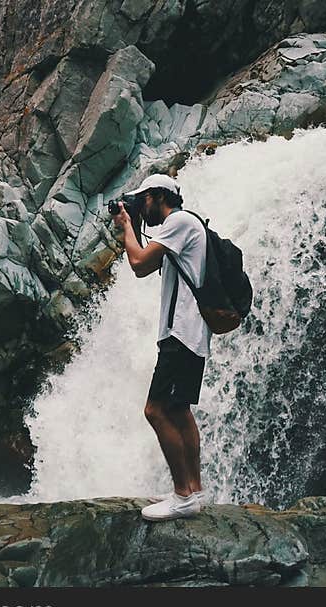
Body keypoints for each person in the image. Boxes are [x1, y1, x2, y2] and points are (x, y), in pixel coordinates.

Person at [112, 173, 212, 521]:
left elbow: (138, 262)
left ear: (157, 196)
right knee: (180, 410)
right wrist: (132, 223)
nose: (143, 208)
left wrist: (126, 225)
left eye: (145, 201)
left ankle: (182, 495)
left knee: (155, 411)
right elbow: (143, 265)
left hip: (180, 335)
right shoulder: (182, 227)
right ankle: (195, 492)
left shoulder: (179, 222)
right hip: (190, 334)